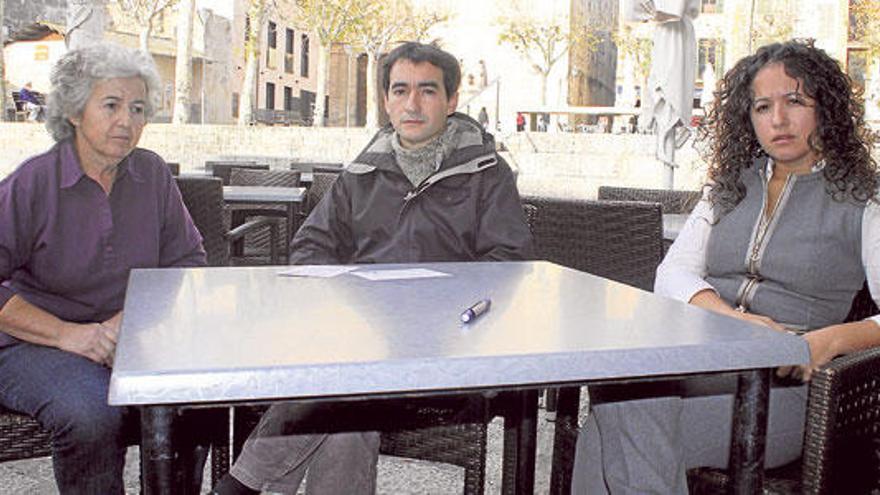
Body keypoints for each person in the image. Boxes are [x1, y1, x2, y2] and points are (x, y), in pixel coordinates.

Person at [212, 41, 533, 495]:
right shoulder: (361, 173)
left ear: (452, 100)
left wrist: (439, 306)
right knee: (350, 393)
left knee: (342, 376)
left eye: (428, 91)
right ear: (385, 101)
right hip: (360, 345)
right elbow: (310, 246)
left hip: (450, 350)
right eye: (400, 91)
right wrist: (345, 300)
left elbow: (509, 262)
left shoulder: (487, 173)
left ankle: (244, 484)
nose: (413, 104)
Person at [571, 40, 880, 494]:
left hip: (784, 391)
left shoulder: (863, 198)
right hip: (701, 365)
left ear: (826, 108)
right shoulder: (728, 187)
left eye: (794, 101)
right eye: (762, 106)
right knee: (620, 407)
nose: (777, 119)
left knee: (615, 415)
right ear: (747, 117)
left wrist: (829, 340)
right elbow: (673, 275)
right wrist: (733, 321)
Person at [0, 43, 208, 493]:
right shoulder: (33, 183)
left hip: (129, 335)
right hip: (34, 344)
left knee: (201, 393)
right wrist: (70, 336)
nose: (126, 121)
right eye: (111, 105)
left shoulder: (151, 174)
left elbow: (187, 260)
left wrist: (122, 326)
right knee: (90, 413)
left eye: (137, 108)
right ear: (75, 111)